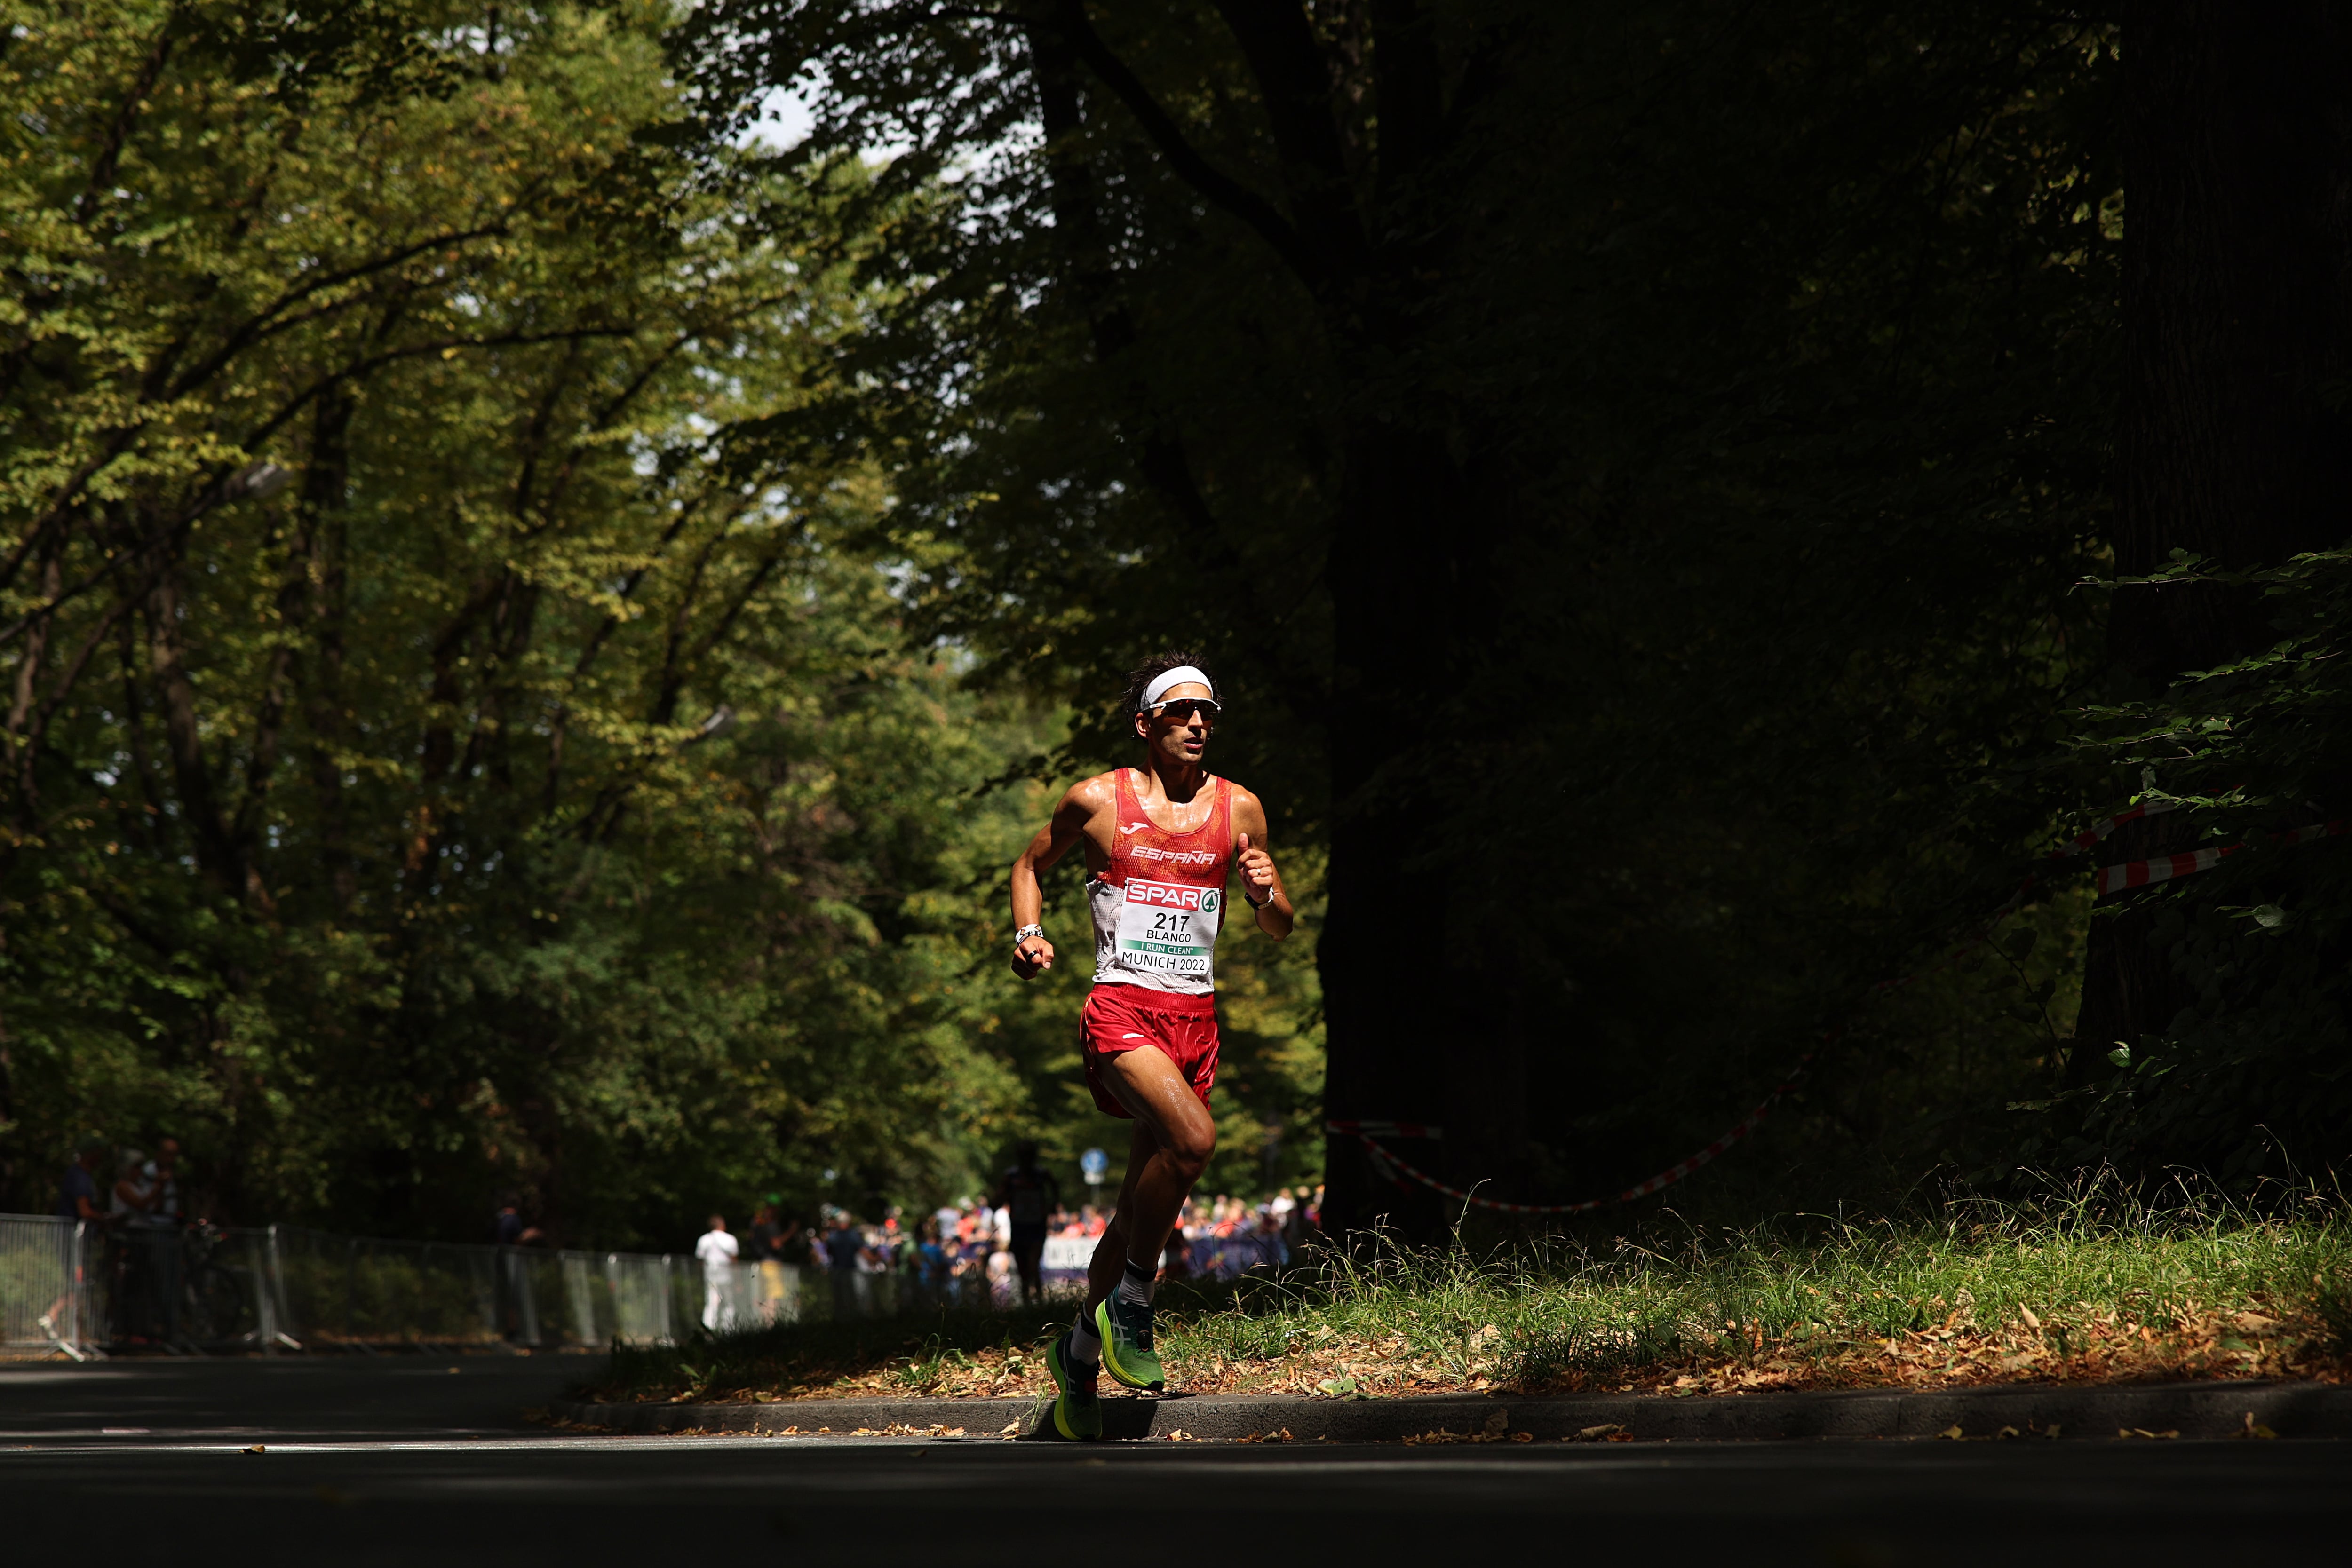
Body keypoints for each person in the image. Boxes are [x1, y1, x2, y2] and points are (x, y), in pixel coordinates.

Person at [1009, 651, 1292, 1440]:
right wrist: (1029, 932)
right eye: (1181, 711)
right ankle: (1135, 1296)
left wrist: (1268, 893)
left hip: (1194, 1023)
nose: (1199, 722)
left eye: (1208, 711)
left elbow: (1279, 924)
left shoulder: (1242, 810)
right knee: (1195, 1140)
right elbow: (1029, 863)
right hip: (1121, 1012)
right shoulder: (1098, 801)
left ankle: (1077, 1356)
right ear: (1147, 723)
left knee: (1136, 1204)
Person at [990, 1142, 1061, 1304]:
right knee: (1022, 1266)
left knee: (1033, 1263)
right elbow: (999, 1196)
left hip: (1036, 1225)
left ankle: (1040, 1300)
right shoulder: (1011, 1176)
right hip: (1019, 1225)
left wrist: (1053, 1206)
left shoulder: (1042, 1174)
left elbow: (1055, 1187)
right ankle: (1027, 1301)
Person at [695, 1214, 739, 1331]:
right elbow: (734, 1261)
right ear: (723, 1225)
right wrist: (738, 1279)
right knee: (728, 1304)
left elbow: (700, 1260)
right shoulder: (730, 1239)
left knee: (711, 1304)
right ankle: (729, 1330)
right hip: (727, 1276)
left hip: (710, 1276)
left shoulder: (704, 1240)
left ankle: (708, 1330)